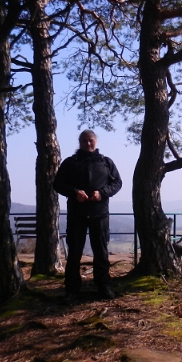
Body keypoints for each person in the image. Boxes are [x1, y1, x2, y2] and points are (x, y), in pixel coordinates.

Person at [53, 130, 122, 303]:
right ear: (80, 142)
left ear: (95, 141)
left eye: (90, 140)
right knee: (74, 253)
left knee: (101, 252)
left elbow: (117, 183)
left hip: (100, 214)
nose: (88, 143)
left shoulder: (106, 163)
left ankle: (104, 286)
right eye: (84, 141)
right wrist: (74, 192)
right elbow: (58, 184)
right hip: (77, 215)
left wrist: (102, 193)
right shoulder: (70, 163)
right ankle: (71, 289)